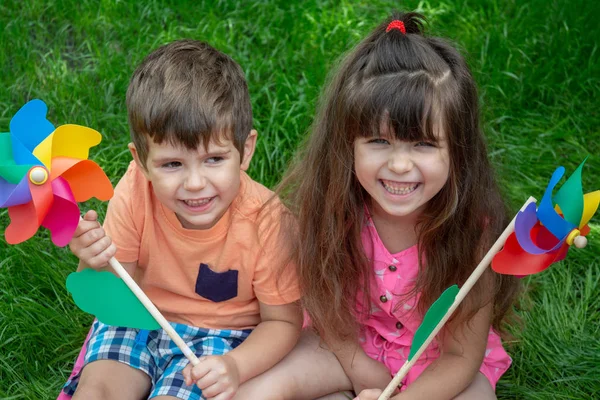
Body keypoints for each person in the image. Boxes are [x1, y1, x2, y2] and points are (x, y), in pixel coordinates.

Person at [238, 11, 520, 400]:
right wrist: (359, 371)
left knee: (477, 396)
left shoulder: (474, 232)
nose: (400, 165)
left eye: (423, 144)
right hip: (347, 346)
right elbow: (324, 307)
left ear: (458, 150)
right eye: (379, 142)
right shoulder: (335, 210)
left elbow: (460, 356)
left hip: (438, 365)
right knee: (261, 389)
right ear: (347, 145)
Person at [61, 39, 302, 400]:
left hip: (218, 339)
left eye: (214, 160)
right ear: (141, 161)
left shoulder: (267, 222)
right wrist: (92, 259)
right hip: (138, 315)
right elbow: (114, 291)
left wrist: (236, 367)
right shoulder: (135, 189)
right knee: (96, 392)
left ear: (245, 150)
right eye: (172, 164)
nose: (194, 183)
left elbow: (283, 323)